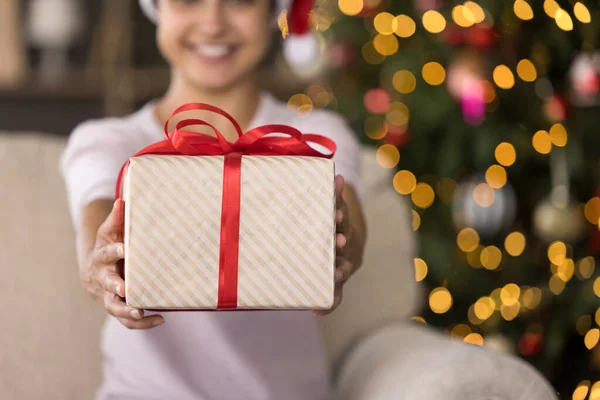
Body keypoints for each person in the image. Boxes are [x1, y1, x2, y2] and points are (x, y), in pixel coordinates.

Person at [60, 0, 367, 398]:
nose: (212, 24)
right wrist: (99, 265)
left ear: (273, 11)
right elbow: (96, 228)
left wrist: (341, 246)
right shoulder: (107, 141)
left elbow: (354, 233)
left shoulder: (313, 135)